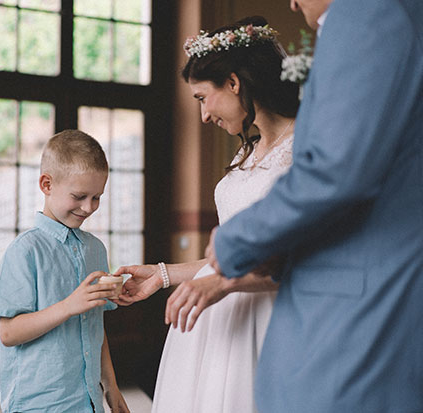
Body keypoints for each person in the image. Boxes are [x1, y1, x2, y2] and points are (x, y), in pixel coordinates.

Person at [205, 0, 423, 411]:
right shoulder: (418, 12)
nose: (292, 2)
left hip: (367, 306)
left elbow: (337, 167)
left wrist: (237, 239)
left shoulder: (372, 12)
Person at [113, 16, 300, 412]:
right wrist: (161, 275)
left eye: (202, 98)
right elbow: (226, 258)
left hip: (271, 322)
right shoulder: (246, 152)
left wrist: (222, 284)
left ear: (234, 83)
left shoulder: (304, 150)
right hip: (216, 323)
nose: (203, 116)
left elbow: (297, 259)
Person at [0, 130, 130, 413]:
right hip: (39, 404)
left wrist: (111, 387)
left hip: (88, 401)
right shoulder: (25, 251)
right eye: (79, 196)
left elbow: (95, 326)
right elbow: (8, 333)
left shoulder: (96, 250)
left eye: (96, 197)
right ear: (47, 184)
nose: (89, 207)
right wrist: (69, 306)